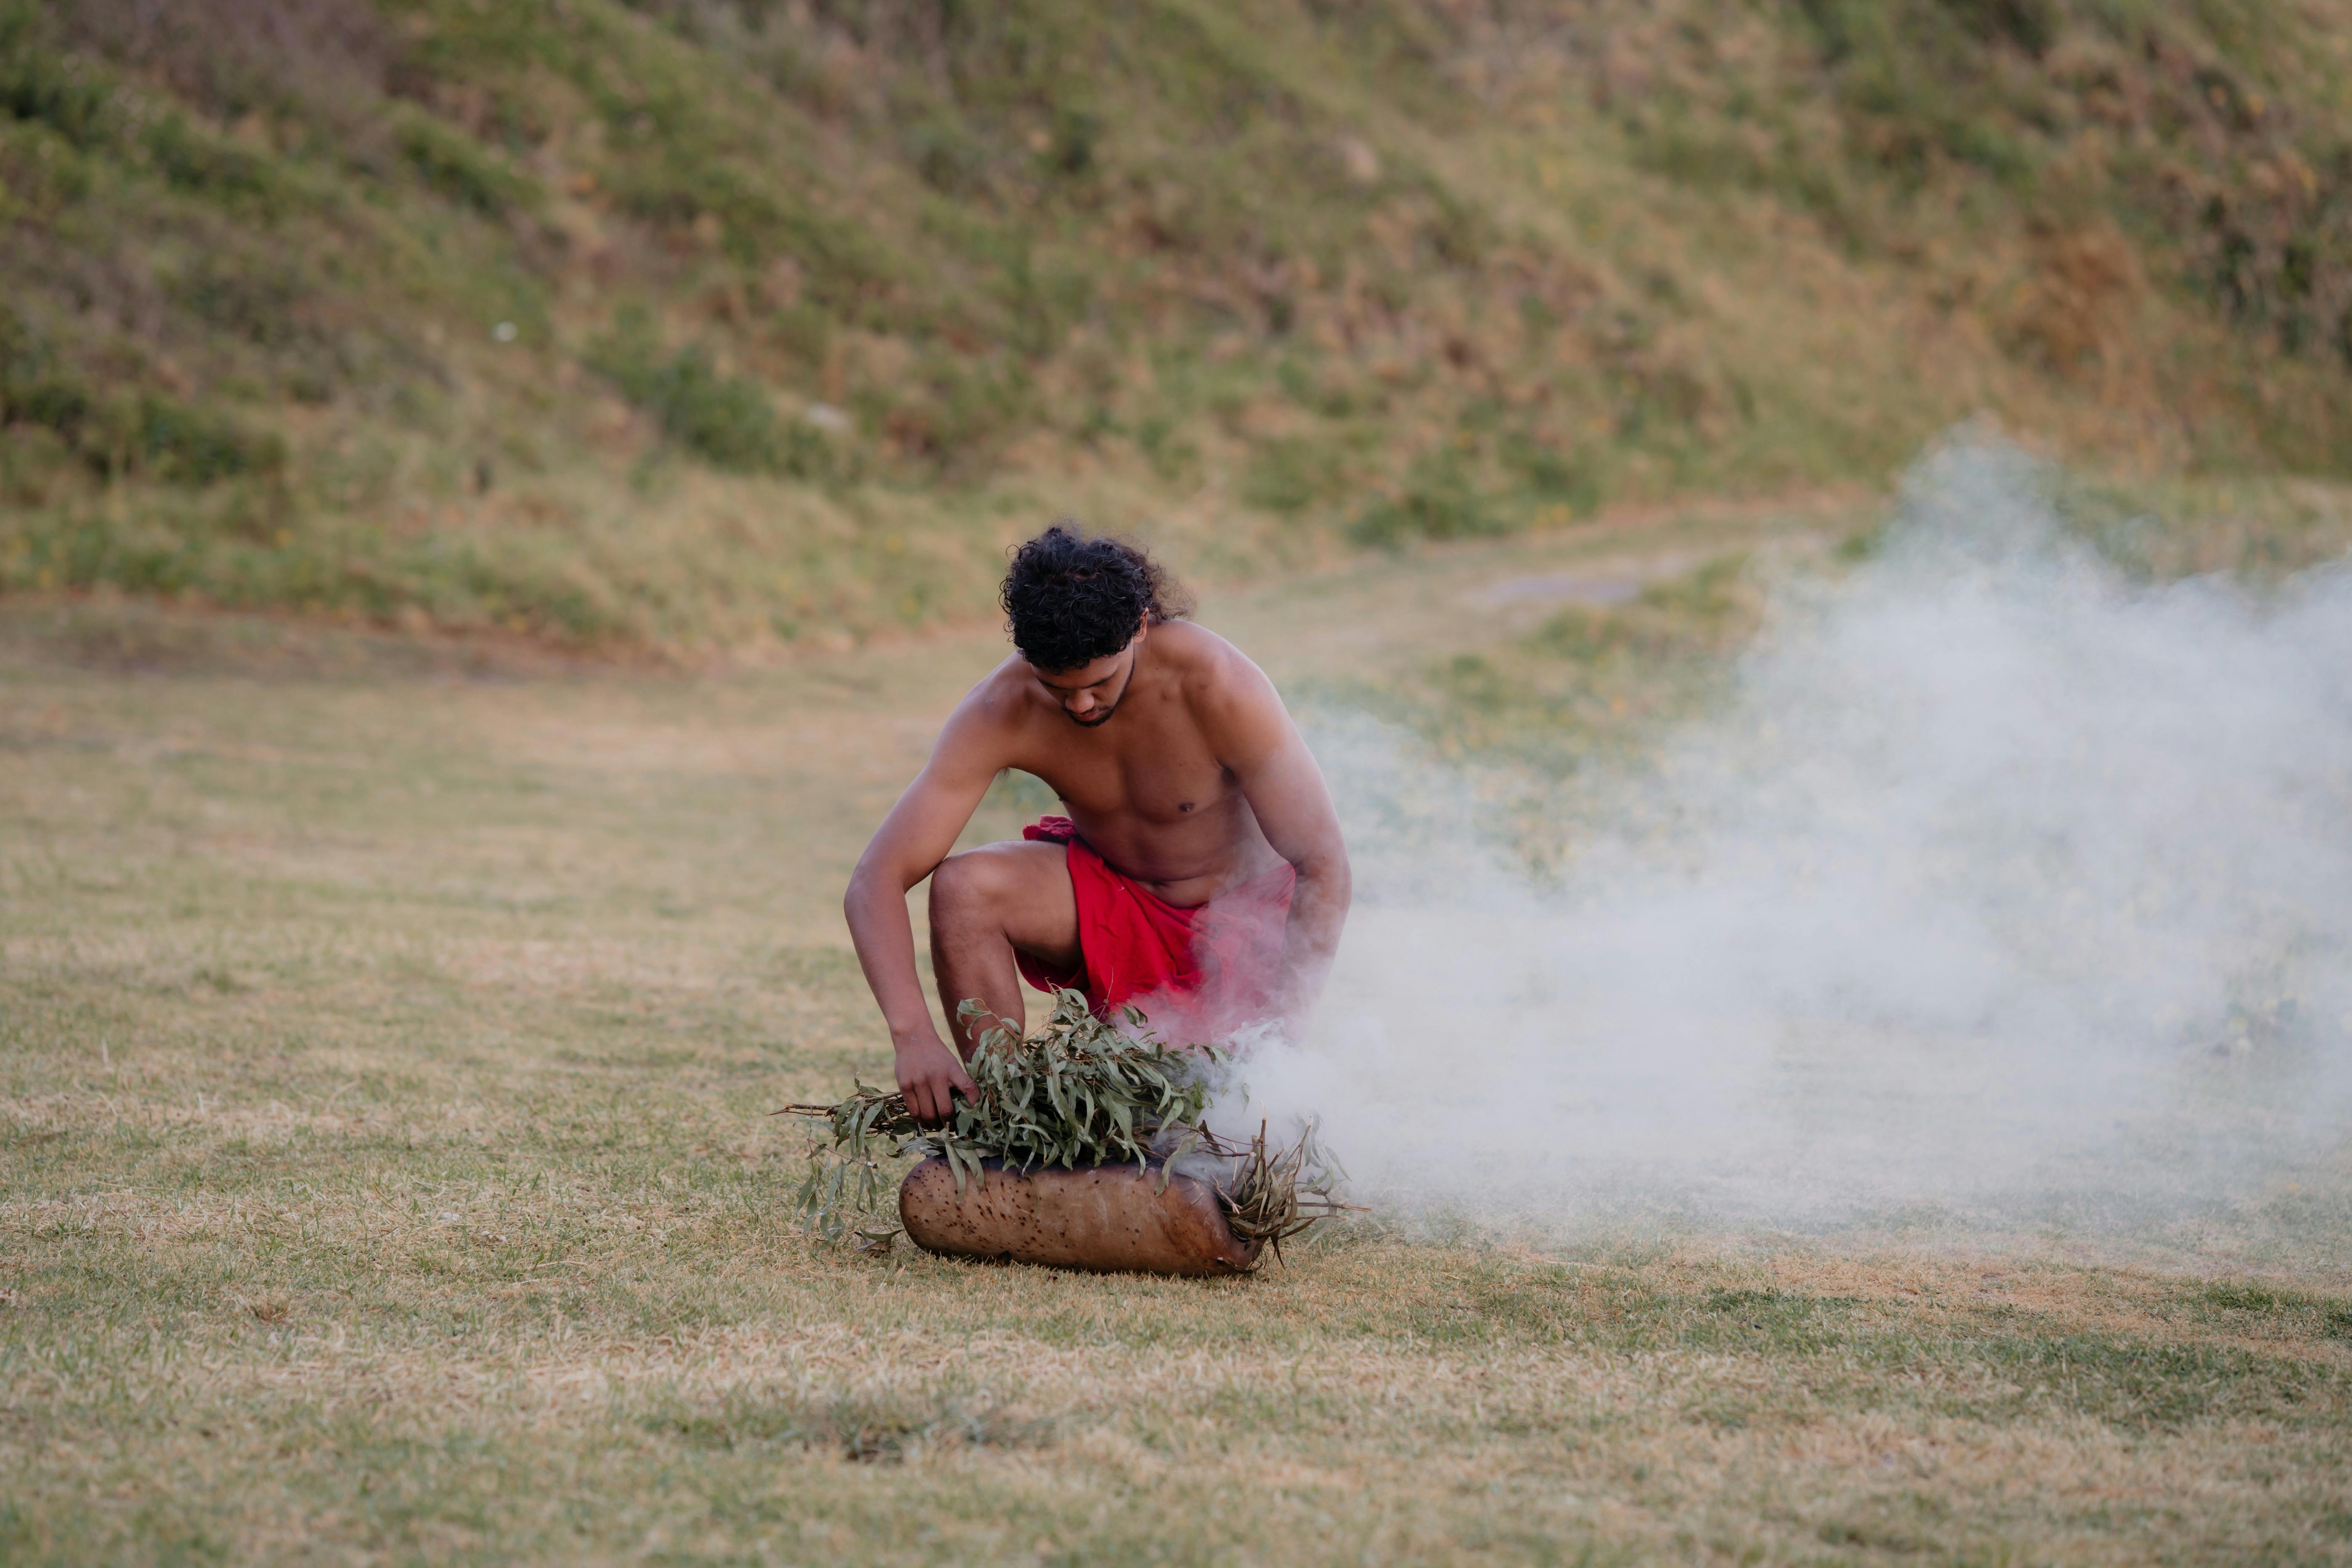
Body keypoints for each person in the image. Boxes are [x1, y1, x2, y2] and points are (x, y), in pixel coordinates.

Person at [843, 524, 1352, 1124]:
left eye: (1100, 683)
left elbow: (1323, 861)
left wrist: (1284, 1038)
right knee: (963, 889)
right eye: (1059, 689)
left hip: (1239, 927)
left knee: (1218, 1129)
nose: (1081, 706)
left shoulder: (1218, 685)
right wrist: (913, 1036)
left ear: (1139, 626)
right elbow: (875, 878)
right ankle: (1007, 1126)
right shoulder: (1003, 707)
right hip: (1118, 905)